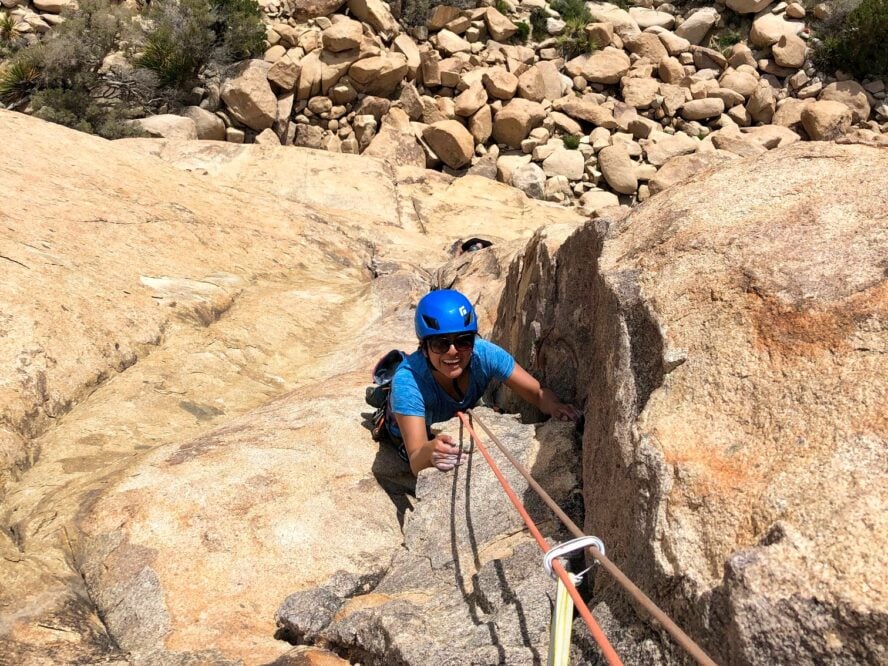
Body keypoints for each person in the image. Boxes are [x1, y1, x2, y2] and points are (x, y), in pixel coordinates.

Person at [386, 289, 579, 475]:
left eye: (463, 341)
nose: (453, 351)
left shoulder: (485, 354)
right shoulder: (408, 382)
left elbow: (537, 393)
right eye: (440, 343)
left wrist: (556, 406)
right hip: (406, 428)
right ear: (424, 348)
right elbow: (416, 460)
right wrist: (429, 451)